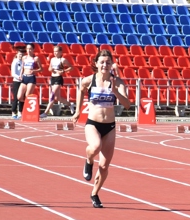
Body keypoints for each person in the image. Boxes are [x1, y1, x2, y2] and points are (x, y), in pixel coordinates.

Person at [69, 49, 132, 208]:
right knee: (95, 146)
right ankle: (89, 159)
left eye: (108, 62)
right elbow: (81, 90)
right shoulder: (89, 80)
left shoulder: (117, 82)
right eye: (102, 62)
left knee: (104, 166)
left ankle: (94, 193)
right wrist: (77, 111)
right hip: (93, 124)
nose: (105, 65)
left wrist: (116, 92)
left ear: (112, 65)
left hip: (110, 127)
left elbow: (127, 105)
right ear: (96, 64)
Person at [42, 45, 74, 118]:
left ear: (60, 52)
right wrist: (51, 69)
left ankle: (45, 113)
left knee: (52, 95)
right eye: (54, 51)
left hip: (59, 78)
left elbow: (71, 68)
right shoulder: (52, 59)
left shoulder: (63, 60)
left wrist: (63, 71)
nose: (55, 53)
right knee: (57, 98)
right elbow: (50, 68)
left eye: (57, 51)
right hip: (53, 77)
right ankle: (69, 104)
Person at [15, 43, 42, 111]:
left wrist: (34, 70)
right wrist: (20, 75)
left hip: (31, 78)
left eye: (30, 49)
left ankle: (27, 110)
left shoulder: (36, 58)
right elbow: (22, 67)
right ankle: (29, 104)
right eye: (27, 49)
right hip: (24, 77)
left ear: (33, 49)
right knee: (19, 96)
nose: (29, 50)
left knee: (28, 95)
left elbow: (41, 69)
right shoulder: (24, 58)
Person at [9, 45, 26, 119]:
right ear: (17, 54)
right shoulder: (15, 62)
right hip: (16, 81)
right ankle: (13, 112)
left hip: (23, 81)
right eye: (19, 54)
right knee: (16, 97)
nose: (21, 56)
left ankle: (20, 112)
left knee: (22, 97)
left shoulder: (24, 62)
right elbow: (13, 73)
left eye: (22, 54)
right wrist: (19, 77)